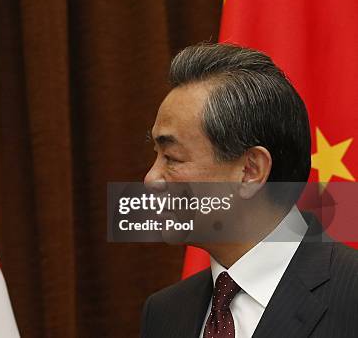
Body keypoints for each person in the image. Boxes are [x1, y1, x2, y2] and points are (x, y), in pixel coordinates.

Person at [140, 44, 358, 337]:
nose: (151, 179)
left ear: (250, 171)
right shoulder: (165, 313)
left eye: (172, 158)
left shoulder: (350, 295)